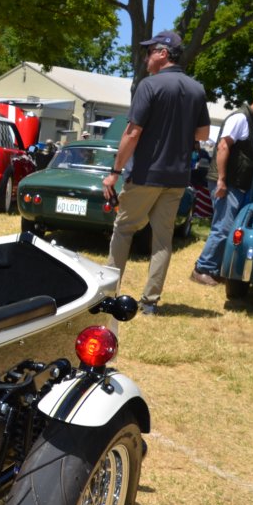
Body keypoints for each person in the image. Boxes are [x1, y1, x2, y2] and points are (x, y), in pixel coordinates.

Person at [102, 30, 211, 315]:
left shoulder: (149, 85)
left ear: (163, 53)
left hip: (146, 174)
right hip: (177, 178)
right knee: (163, 240)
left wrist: (114, 171)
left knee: (124, 229)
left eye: (150, 52)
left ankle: (109, 294)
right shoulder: (197, 89)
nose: (146, 58)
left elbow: (132, 132)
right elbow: (203, 133)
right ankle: (150, 302)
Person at [189, 93, 253, 286]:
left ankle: (214, 269)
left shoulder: (248, 121)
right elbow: (223, 146)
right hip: (227, 183)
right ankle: (202, 269)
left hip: (233, 183)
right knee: (222, 228)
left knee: (227, 228)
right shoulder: (240, 118)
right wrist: (222, 181)